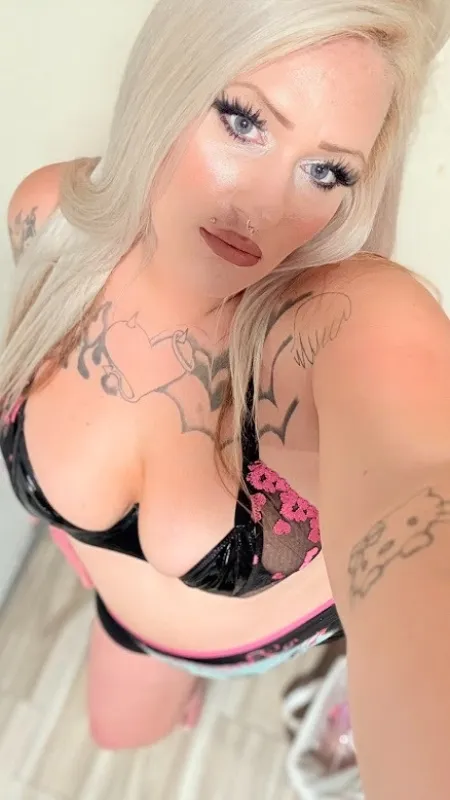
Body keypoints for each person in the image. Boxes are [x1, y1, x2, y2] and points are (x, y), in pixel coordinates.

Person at [2, 1, 450, 796]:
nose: (268, 207)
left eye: (327, 172)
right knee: (118, 732)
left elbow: (420, 483)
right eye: (244, 121)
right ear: (172, 78)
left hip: (242, 643)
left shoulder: (337, 328)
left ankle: (340, 669)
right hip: (112, 602)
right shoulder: (50, 221)